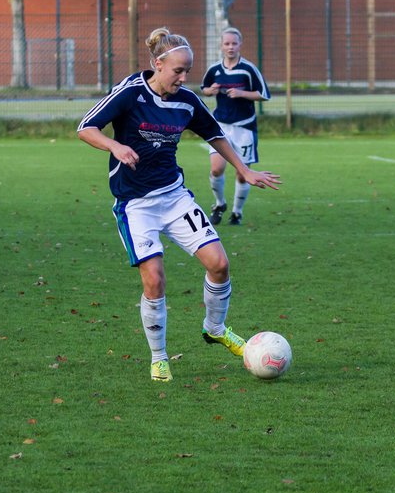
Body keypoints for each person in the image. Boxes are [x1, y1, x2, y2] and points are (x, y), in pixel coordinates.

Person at [78, 27, 280, 383]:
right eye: (178, 70)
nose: (184, 77)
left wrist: (243, 169)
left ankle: (215, 328)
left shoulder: (186, 100)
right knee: (154, 280)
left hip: (173, 197)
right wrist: (114, 146)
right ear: (159, 64)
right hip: (136, 204)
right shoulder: (130, 92)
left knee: (219, 264)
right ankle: (159, 356)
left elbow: (214, 132)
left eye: (188, 70)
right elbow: (86, 127)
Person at [199, 27, 270, 226]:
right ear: (221, 46)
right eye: (227, 43)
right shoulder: (214, 69)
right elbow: (204, 89)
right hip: (220, 125)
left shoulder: (248, 69)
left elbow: (264, 94)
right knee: (216, 169)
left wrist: (242, 94)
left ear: (240, 44)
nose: (230, 47)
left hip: (244, 128)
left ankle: (237, 212)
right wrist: (209, 91)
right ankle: (219, 204)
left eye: (234, 43)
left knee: (242, 173)